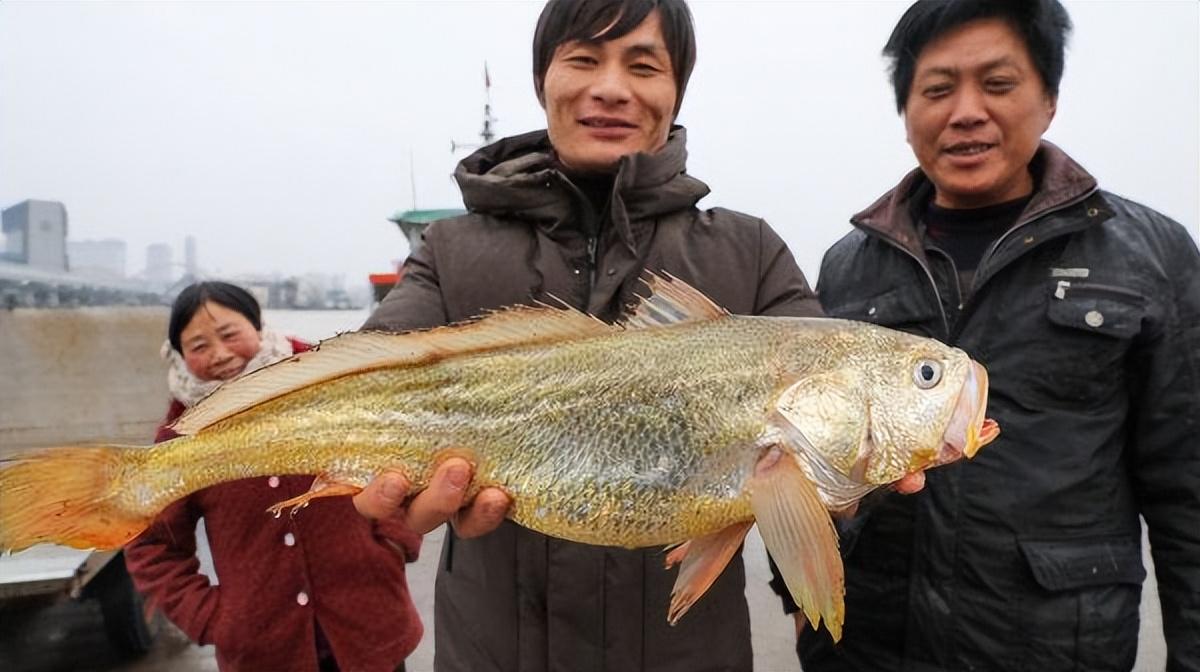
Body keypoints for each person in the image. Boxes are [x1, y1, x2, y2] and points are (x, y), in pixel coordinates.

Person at [351, 0, 823, 669]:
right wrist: (385, 488)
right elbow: (362, 390)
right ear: (544, 78)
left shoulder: (750, 253)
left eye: (643, 64)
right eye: (583, 59)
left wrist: (877, 457)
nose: (611, 87)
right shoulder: (448, 251)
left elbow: (824, 419)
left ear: (675, 89)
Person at [778, 1, 1200, 670]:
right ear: (908, 110)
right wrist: (793, 590)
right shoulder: (848, 266)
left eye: (998, 84)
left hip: (1059, 648)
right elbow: (798, 461)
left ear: (1050, 99)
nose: (966, 111)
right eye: (938, 89)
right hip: (868, 648)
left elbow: (1187, 487)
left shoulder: (1150, 255)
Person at [125, 281, 422, 672]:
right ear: (179, 356)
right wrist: (211, 617)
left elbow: (398, 458)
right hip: (264, 651)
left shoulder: (324, 383)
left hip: (371, 624)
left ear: (258, 327)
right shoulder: (181, 437)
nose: (220, 354)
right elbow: (151, 544)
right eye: (198, 346)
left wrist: (393, 544)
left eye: (230, 334)